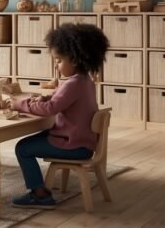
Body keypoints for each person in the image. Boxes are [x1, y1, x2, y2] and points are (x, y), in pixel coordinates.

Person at [10, 23, 108, 209]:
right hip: (81, 141)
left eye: (59, 60)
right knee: (32, 141)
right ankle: (39, 191)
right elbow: (60, 99)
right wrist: (43, 97)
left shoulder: (73, 84)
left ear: (76, 59)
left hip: (73, 145)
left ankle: (40, 195)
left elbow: (51, 109)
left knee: (22, 148)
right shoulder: (84, 80)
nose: (56, 64)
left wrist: (20, 104)